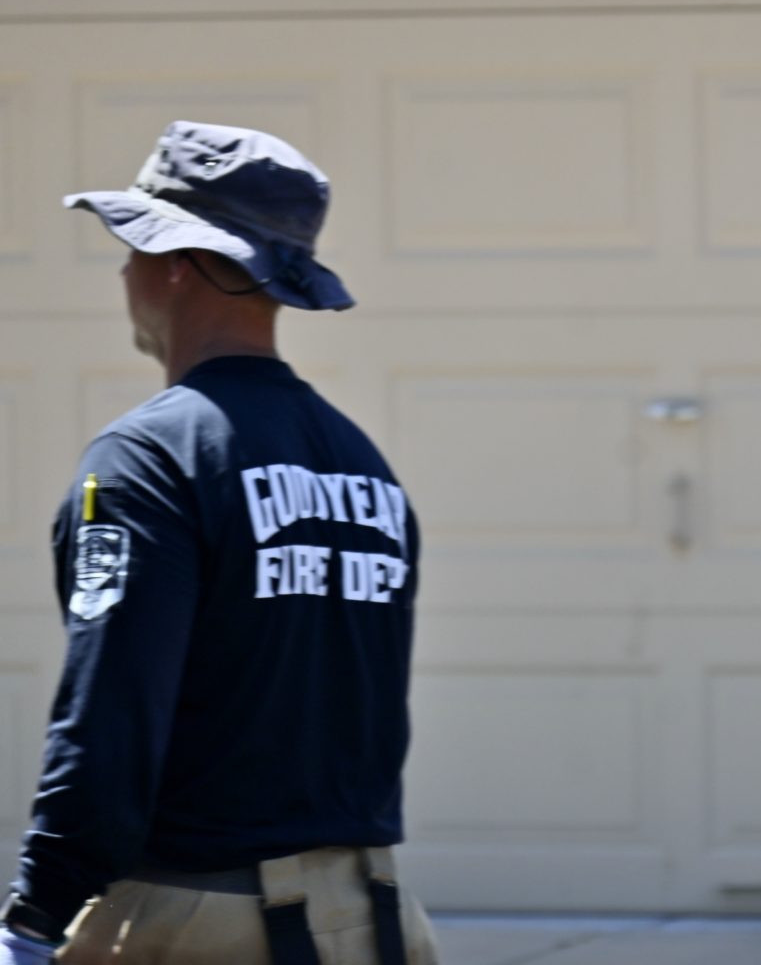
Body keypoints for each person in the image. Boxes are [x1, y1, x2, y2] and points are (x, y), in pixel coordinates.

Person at [0, 121, 439, 965]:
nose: (122, 272)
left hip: (202, 922)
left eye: (131, 243)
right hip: (374, 917)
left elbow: (111, 718)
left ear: (175, 261)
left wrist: (35, 918)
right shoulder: (363, 467)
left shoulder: (146, 459)